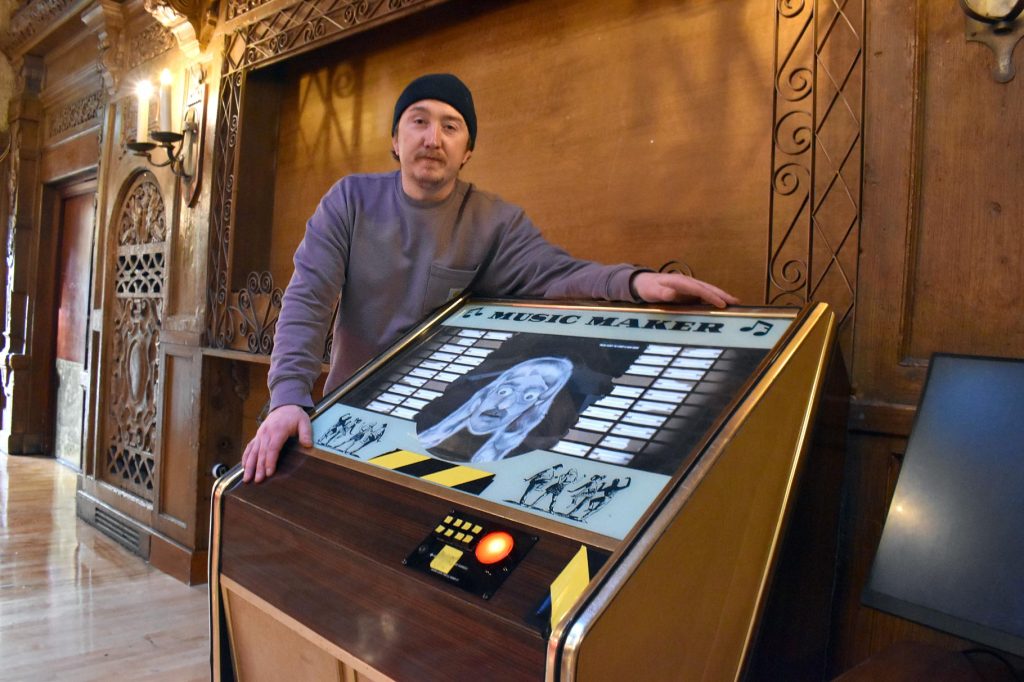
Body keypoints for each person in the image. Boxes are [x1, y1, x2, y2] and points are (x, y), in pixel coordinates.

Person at [242, 73, 738, 483]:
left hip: (433, 427)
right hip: (350, 413)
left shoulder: (494, 221)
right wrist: (289, 398)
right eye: (419, 122)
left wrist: (636, 283)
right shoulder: (350, 201)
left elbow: (556, 273)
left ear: (467, 150)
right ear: (395, 140)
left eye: (451, 126)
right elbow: (308, 300)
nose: (433, 138)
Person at [417, 357, 573, 462]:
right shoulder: (431, 415)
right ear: (488, 391)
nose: (503, 405)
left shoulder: (523, 456)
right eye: (504, 391)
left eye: (528, 397)